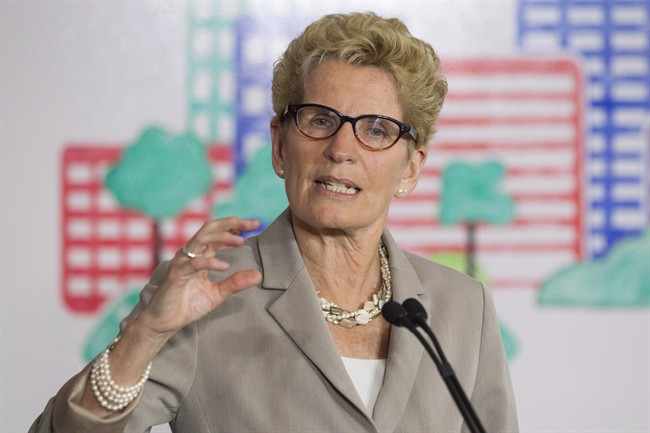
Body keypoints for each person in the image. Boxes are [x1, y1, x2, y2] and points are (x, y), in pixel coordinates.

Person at [30, 11, 518, 432]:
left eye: (376, 129)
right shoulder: (207, 294)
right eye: (320, 120)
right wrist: (142, 337)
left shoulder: (462, 309)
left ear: (410, 168)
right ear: (281, 146)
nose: (341, 150)